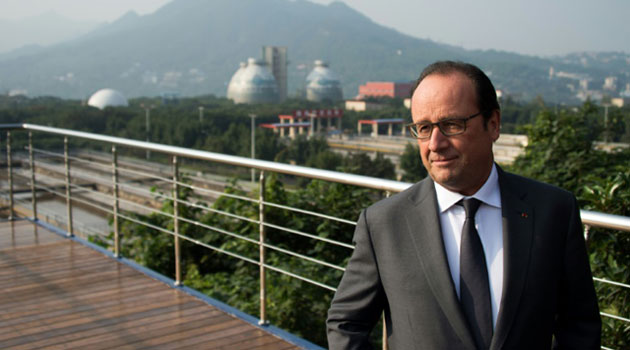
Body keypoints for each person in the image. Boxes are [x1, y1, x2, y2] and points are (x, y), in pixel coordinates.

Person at [326, 61, 601, 349]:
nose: (435, 143)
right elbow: (346, 324)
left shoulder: (553, 211)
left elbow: (579, 325)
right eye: (423, 127)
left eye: (451, 125)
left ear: (493, 124)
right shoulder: (384, 223)